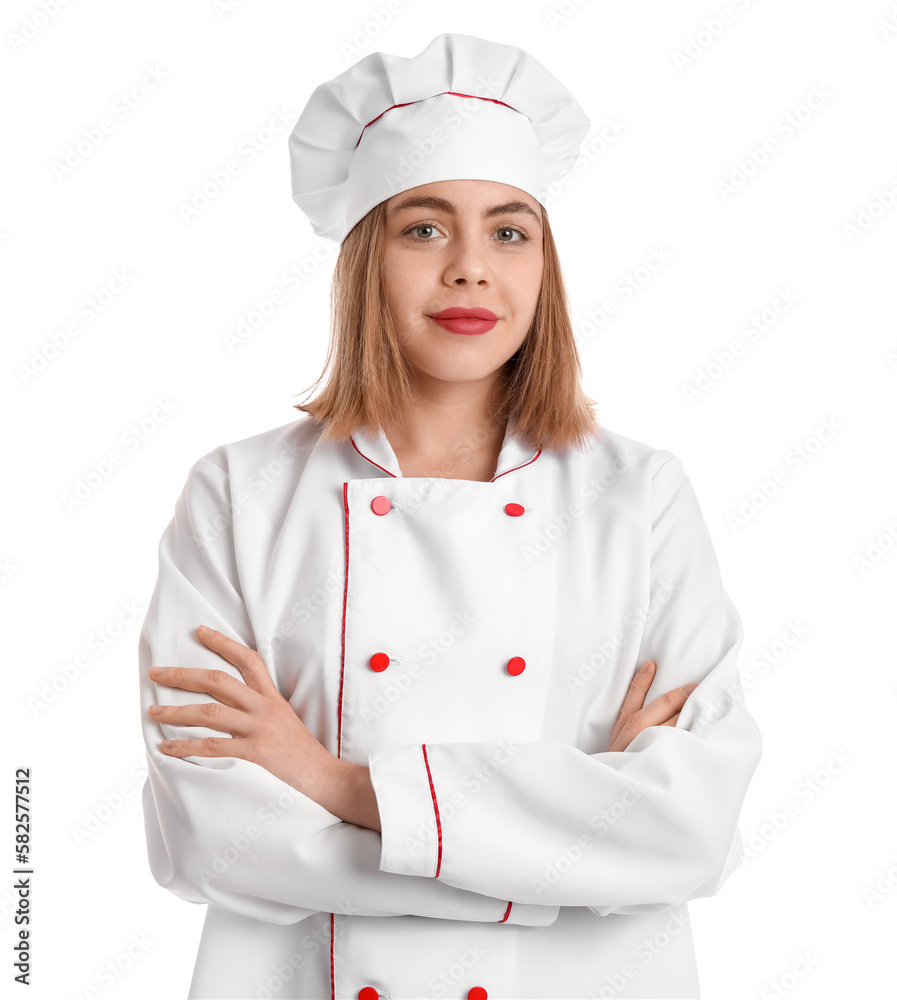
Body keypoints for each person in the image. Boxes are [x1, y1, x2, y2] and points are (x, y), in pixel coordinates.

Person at [138, 32, 763, 1000]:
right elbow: (215, 836)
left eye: (511, 231)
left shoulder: (639, 497)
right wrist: (563, 847)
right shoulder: (240, 493)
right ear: (362, 261)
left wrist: (338, 783)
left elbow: (691, 826)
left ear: (545, 266)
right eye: (423, 228)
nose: (471, 268)